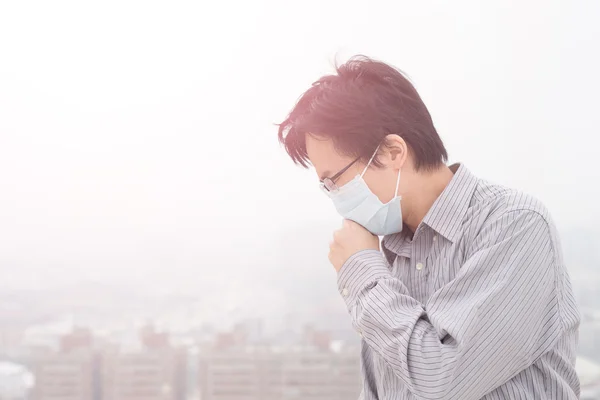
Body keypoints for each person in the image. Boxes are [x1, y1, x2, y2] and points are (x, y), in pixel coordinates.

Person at [276, 56, 581, 400]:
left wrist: (361, 273)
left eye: (336, 179)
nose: (334, 195)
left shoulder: (514, 225)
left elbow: (440, 379)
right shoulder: (385, 247)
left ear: (393, 152)